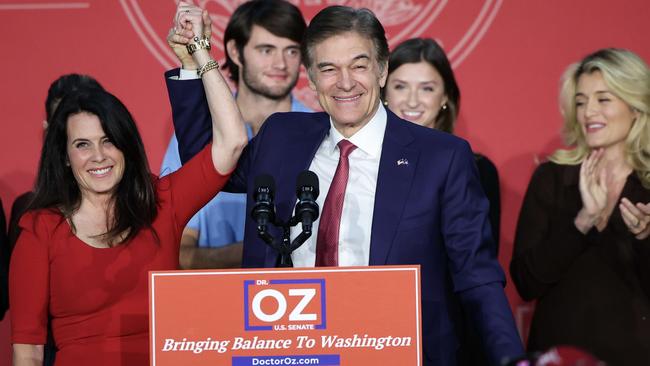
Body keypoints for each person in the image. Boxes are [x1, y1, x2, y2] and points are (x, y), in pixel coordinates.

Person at [169, 5, 523, 365]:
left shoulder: (441, 158)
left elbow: (477, 276)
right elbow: (209, 161)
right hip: (291, 352)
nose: (345, 82)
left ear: (383, 69)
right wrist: (191, 62)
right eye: (328, 69)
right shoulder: (282, 137)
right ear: (310, 76)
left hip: (402, 354)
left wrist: (512, 359)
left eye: (358, 65)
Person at [9, 5, 247, 365]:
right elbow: (27, 351)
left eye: (109, 140)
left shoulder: (163, 202)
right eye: (82, 145)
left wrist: (201, 53)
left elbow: (231, 142)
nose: (98, 156)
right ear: (64, 156)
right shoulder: (40, 229)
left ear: (126, 144)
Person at [510, 48, 650, 365]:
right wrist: (582, 222)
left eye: (603, 99)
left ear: (636, 107)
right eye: (581, 101)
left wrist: (645, 240)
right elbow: (526, 280)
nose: (588, 112)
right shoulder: (552, 177)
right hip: (559, 354)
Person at [162, 0, 310, 269]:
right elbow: (177, 252)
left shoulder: (315, 132)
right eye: (266, 50)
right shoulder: (196, 133)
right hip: (214, 301)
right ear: (235, 51)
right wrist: (267, 249)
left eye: (292, 51)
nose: (281, 63)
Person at [383, 37, 501, 249]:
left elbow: (479, 258)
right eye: (400, 87)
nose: (412, 100)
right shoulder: (361, 161)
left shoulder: (478, 171)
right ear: (384, 93)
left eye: (426, 89)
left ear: (445, 96)